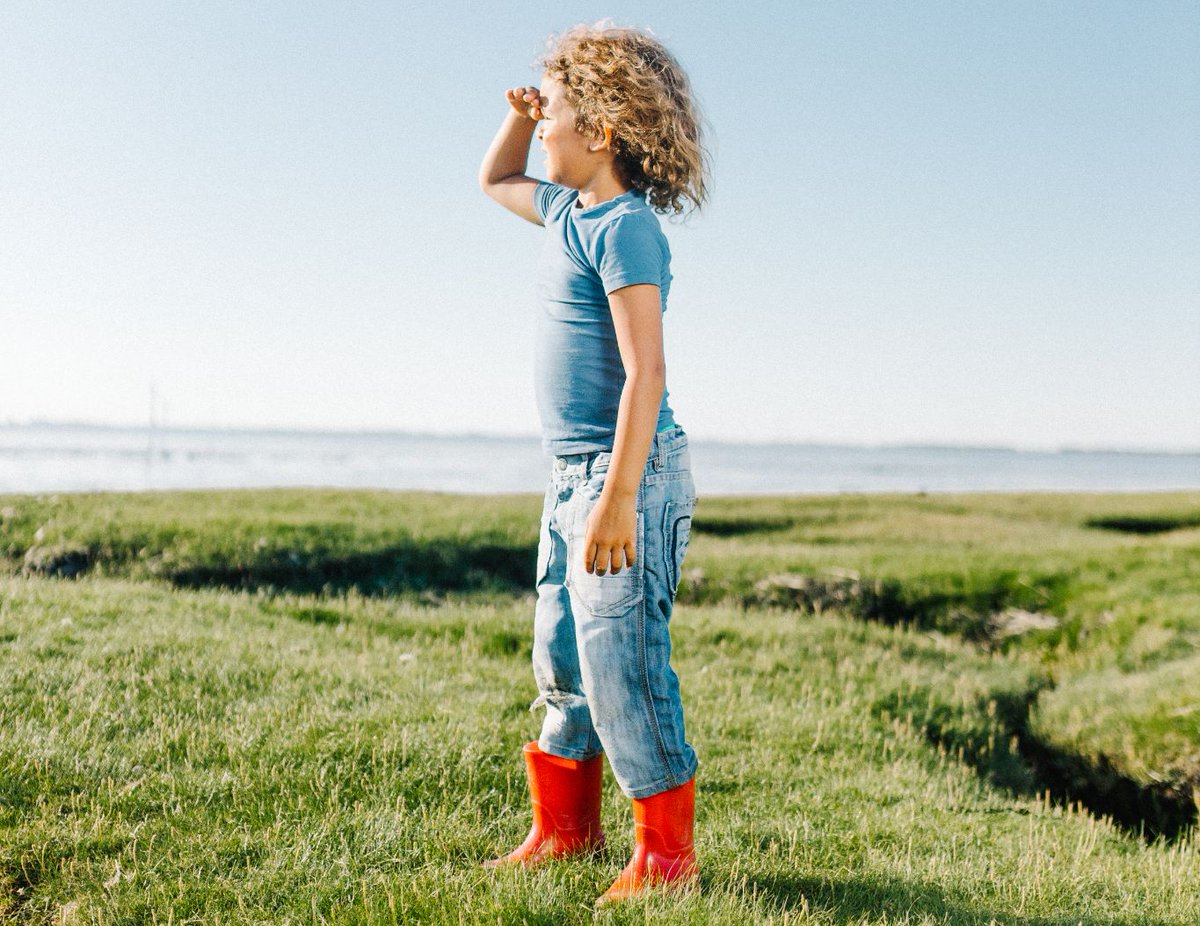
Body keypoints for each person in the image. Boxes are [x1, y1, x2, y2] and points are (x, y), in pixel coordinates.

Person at [477, 20, 710, 906]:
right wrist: (517, 114)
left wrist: (616, 499)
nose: (543, 129)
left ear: (603, 132)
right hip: (571, 479)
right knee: (563, 658)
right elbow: (496, 179)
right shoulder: (569, 209)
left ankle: (665, 860)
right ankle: (565, 832)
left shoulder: (625, 229)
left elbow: (647, 372)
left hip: (628, 479)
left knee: (625, 662)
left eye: (556, 113)